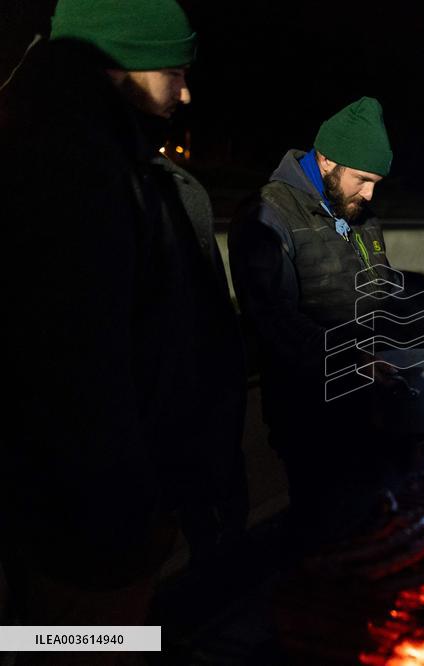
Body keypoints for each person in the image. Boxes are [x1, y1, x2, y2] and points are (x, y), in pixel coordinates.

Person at [0, 0, 247, 636]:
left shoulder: (129, 170)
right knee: (91, 648)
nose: (187, 93)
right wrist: (131, 518)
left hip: (121, 511)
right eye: (173, 71)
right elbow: (76, 376)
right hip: (90, 534)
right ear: (120, 67)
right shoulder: (65, 177)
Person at [228, 98, 399, 551]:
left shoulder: (357, 212)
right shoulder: (268, 214)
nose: (369, 194)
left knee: (371, 530)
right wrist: (348, 361)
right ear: (326, 160)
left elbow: (380, 290)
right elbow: (272, 317)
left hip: (369, 401)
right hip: (309, 411)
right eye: (363, 180)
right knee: (321, 535)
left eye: (376, 183)